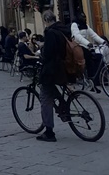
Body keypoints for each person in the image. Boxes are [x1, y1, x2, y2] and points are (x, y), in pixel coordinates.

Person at [37, 10, 69, 143]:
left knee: (45, 98)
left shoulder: (50, 32)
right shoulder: (64, 29)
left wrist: (41, 55)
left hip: (52, 69)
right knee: (51, 90)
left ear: (45, 20)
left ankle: (49, 132)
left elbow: (48, 54)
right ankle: (63, 103)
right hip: (65, 67)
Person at [70, 12, 104, 89]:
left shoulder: (85, 26)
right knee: (89, 60)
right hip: (78, 46)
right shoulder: (74, 25)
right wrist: (87, 43)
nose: (84, 19)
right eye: (82, 17)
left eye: (85, 17)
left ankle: (94, 80)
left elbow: (93, 35)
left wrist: (103, 41)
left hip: (86, 46)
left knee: (96, 57)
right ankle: (89, 79)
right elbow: (77, 36)